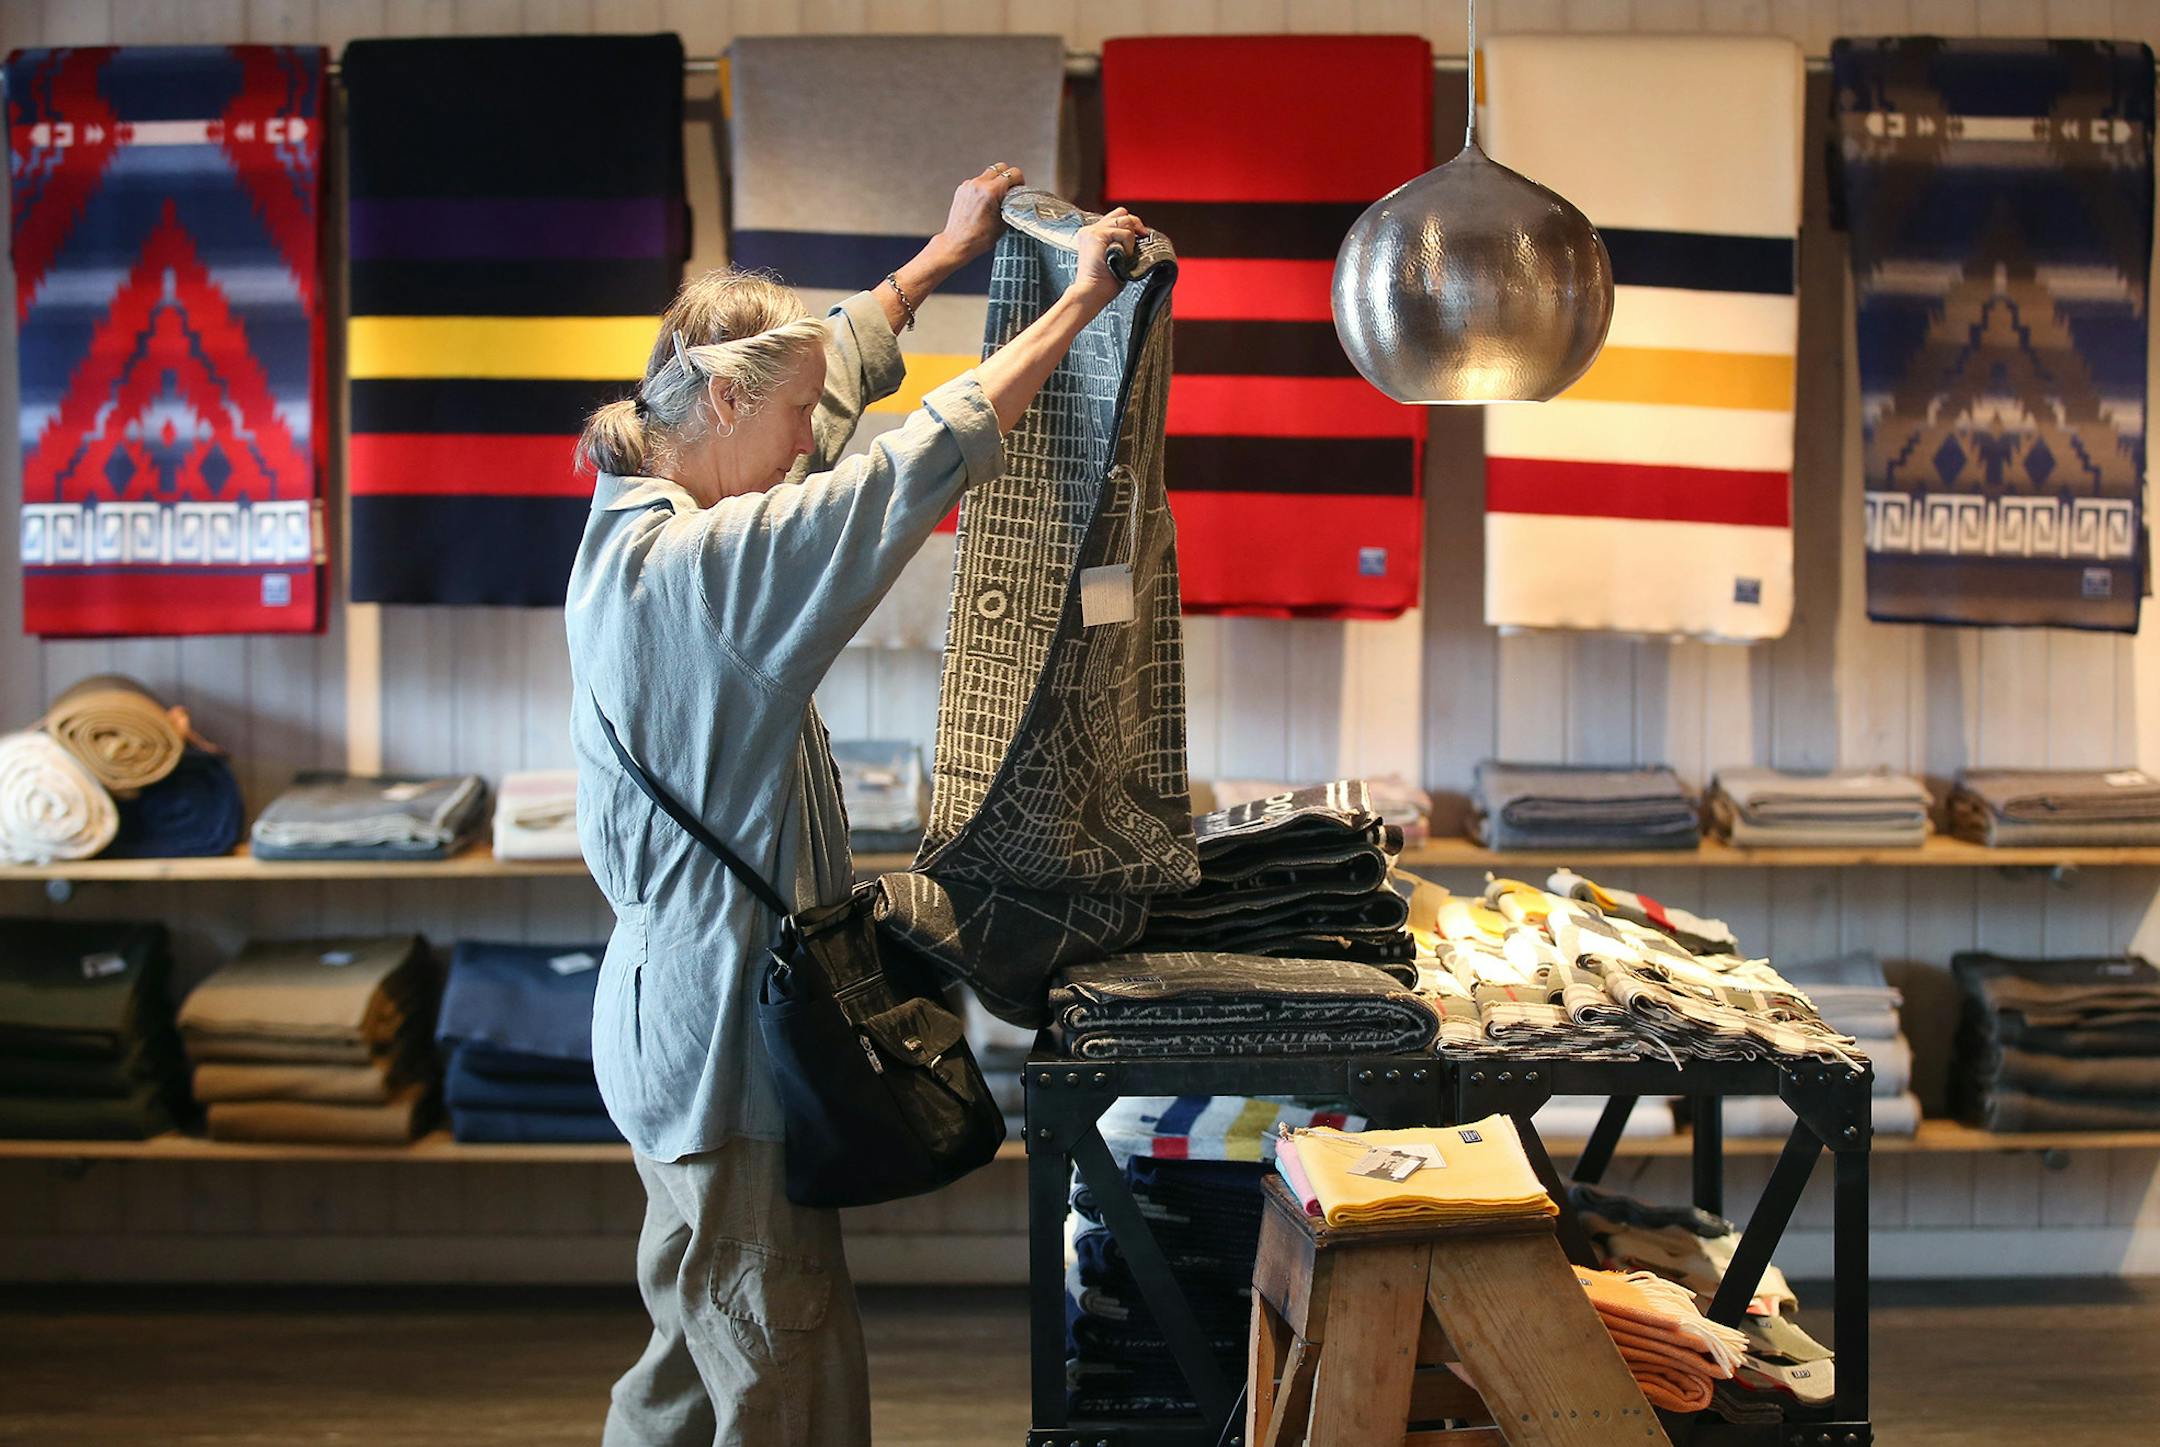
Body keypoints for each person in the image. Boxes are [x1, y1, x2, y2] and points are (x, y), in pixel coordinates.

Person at [566, 163, 1148, 1447]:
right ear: (719, 400)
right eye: (779, 421)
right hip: (720, 1041)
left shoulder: (637, 518)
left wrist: (937, 261)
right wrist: (1076, 315)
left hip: (670, 1027)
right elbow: (895, 477)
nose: (800, 445)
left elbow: (813, 390)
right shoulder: (707, 574)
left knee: (693, 1343)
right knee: (786, 1363)